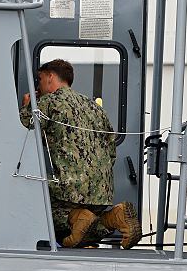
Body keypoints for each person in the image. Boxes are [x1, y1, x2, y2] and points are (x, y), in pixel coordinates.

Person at [20, 59, 140, 249]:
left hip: (69, 188)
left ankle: (76, 218)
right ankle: (114, 216)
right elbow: (111, 149)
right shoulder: (94, 107)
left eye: (40, 79)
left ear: (51, 77)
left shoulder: (49, 101)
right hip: (103, 189)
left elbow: (24, 128)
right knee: (87, 227)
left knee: (30, 200)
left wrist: (27, 106)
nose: (38, 85)